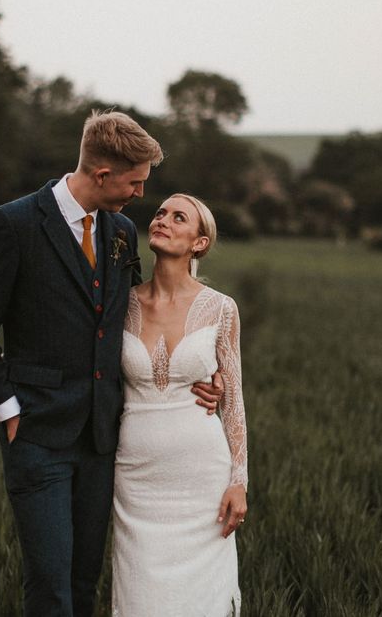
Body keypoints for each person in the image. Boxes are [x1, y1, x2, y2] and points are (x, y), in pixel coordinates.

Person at [0, 111, 221, 617]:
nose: (140, 195)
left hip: (103, 440)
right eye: (135, 182)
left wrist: (202, 377)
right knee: (51, 584)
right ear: (103, 176)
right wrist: (8, 408)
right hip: (36, 435)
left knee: (83, 581)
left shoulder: (119, 232)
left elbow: (135, 321)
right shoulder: (13, 224)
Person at [112, 193, 248, 616]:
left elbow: (236, 400)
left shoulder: (221, 309)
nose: (162, 220)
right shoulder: (121, 303)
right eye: (159, 213)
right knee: (139, 597)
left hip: (201, 481)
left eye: (178, 217)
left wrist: (238, 480)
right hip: (135, 482)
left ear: (199, 242)